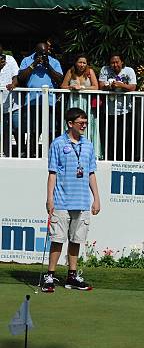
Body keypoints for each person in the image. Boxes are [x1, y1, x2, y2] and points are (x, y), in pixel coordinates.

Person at [42, 107, 100, 293]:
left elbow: (91, 173)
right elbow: (52, 173)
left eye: (85, 122)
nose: (84, 125)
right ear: (70, 124)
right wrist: (49, 198)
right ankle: (50, 276)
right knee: (57, 239)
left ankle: (72, 276)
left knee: (76, 240)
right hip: (61, 200)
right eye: (80, 123)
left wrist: (96, 198)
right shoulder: (58, 144)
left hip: (82, 200)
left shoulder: (89, 145)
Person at [17, 42, 63, 157]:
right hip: (32, 101)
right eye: (40, 53)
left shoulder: (54, 61)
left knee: (51, 130)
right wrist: (34, 64)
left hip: (50, 102)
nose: (43, 55)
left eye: (45, 53)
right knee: (32, 130)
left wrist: (48, 66)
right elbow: (21, 77)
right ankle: (30, 154)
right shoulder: (27, 60)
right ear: (35, 51)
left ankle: (51, 155)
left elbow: (60, 80)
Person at [60, 54, 102, 159]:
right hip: (74, 102)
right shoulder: (70, 71)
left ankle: (90, 152)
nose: (82, 65)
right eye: (80, 62)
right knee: (73, 124)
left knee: (87, 125)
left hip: (86, 103)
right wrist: (71, 87)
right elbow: (62, 86)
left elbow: (96, 87)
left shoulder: (90, 72)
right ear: (75, 62)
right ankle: (70, 150)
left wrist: (83, 88)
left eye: (84, 63)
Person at [98, 53, 137, 161]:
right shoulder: (104, 70)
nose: (115, 65)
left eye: (117, 62)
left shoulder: (129, 71)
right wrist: (109, 86)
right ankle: (109, 160)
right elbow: (101, 85)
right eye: (112, 62)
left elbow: (133, 87)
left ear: (122, 62)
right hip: (108, 111)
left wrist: (121, 85)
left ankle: (125, 161)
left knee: (124, 138)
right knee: (109, 138)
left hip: (125, 110)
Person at [0, 50, 19, 157]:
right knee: (2, 131)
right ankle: (4, 154)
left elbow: (16, 75)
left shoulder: (10, 59)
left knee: (17, 128)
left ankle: (19, 152)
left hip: (12, 103)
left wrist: (13, 84)